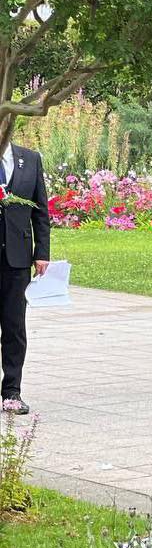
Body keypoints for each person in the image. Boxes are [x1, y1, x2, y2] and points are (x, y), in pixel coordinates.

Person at [0, 140, 50, 415]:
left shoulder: (30, 159)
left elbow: (40, 212)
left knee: (14, 328)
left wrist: (41, 252)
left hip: (16, 259)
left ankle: (11, 393)